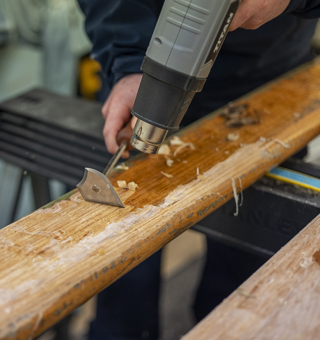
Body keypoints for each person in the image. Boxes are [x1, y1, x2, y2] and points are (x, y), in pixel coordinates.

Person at [77, 1, 320, 339]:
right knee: (121, 271)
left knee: (241, 283)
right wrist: (129, 62)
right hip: (145, 67)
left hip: (263, 77)